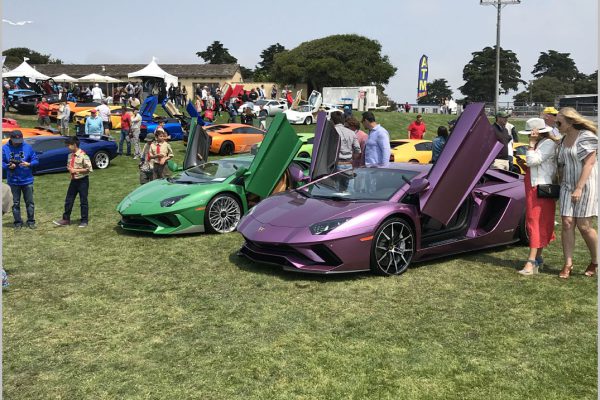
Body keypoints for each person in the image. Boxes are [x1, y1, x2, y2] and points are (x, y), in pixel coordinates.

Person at [555, 107, 598, 279]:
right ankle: (568, 263)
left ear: (571, 121)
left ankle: (595, 261)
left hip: (586, 185)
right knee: (566, 223)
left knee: (584, 226)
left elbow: (589, 164)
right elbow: (561, 165)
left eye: (559, 122)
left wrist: (579, 187)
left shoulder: (587, 137)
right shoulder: (563, 139)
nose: (556, 124)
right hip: (567, 186)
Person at [514, 118, 558, 275]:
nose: (528, 137)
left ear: (536, 133)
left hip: (540, 189)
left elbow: (534, 161)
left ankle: (531, 262)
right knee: (536, 222)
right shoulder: (543, 144)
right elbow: (536, 165)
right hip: (535, 187)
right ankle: (537, 259)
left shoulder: (548, 143)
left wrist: (531, 145)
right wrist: (524, 162)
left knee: (535, 223)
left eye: (530, 134)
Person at [2, 131, 39, 229]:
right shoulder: (4, 149)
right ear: (11, 138)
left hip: (27, 180)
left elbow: (36, 159)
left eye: (19, 140)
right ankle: (17, 222)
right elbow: (1, 162)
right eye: (15, 140)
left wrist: (29, 164)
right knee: (15, 203)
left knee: (30, 202)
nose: (18, 142)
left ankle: (31, 221)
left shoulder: (27, 147)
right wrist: (8, 166)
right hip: (13, 181)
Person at [53, 136, 93, 227]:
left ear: (74, 145)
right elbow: (69, 165)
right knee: (69, 200)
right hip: (73, 181)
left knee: (83, 201)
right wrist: (70, 169)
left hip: (82, 181)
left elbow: (89, 169)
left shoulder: (83, 155)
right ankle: (66, 219)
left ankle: (84, 220)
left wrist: (76, 170)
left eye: (69, 145)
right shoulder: (70, 155)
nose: (67, 147)